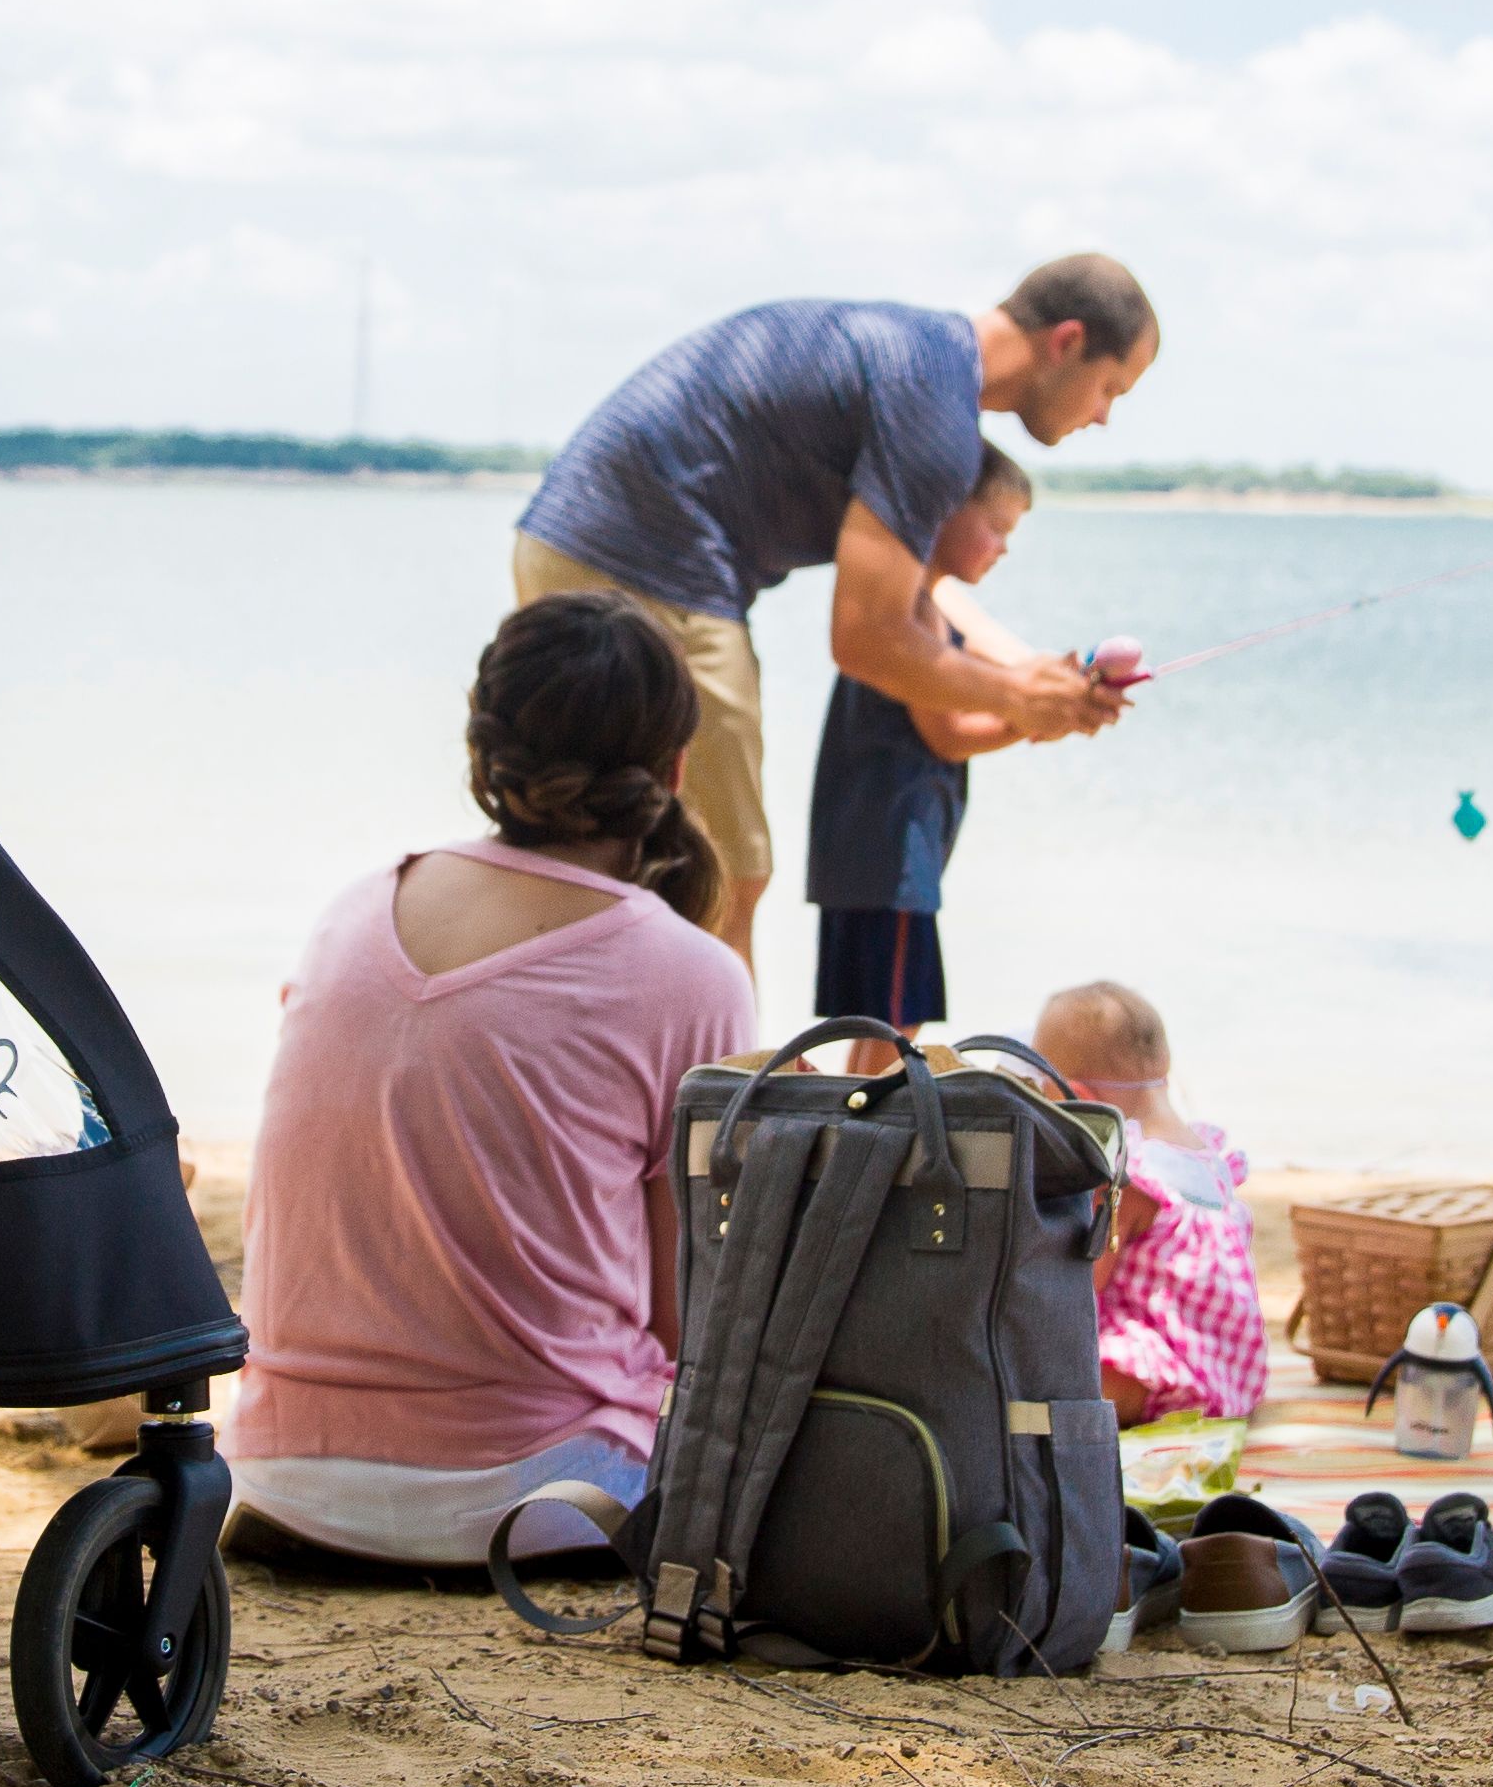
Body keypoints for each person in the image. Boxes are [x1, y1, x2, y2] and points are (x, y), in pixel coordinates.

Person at [221, 593, 760, 1566]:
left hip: (279, 1481)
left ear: (483, 757)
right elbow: (692, 1314)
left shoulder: (354, 910)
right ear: (678, 771)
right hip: (538, 1497)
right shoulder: (692, 975)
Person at [512, 257, 1159, 960]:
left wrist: (1034, 679)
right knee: (720, 875)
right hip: (650, 561)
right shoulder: (935, 409)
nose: (1103, 417)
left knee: (593, 849)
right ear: (1067, 341)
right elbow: (868, 639)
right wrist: (1018, 695)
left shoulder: (923, 363)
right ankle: (717, 1069)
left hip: (564, 536)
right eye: (1110, 388)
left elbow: (914, 600)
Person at [799, 450, 1048, 1036]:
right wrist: (1030, 719)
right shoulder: (914, 613)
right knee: (893, 1032)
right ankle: (864, 1129)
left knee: (872, 1031)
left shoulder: (921, 604)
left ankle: (848, 1126)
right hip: (891, 858)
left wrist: (1036, 699)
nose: (1003, 547)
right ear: (947, 513)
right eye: (996, 528)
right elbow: (949, 736)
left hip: (866, 857)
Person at [1034, 976, 1270, 1426]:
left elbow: (1080, 1288)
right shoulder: (1204, 1151)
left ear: (1077, 1099)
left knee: (1055, 1378)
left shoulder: (1128, 1176)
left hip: (1166, 1369)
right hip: (1230, 1366)